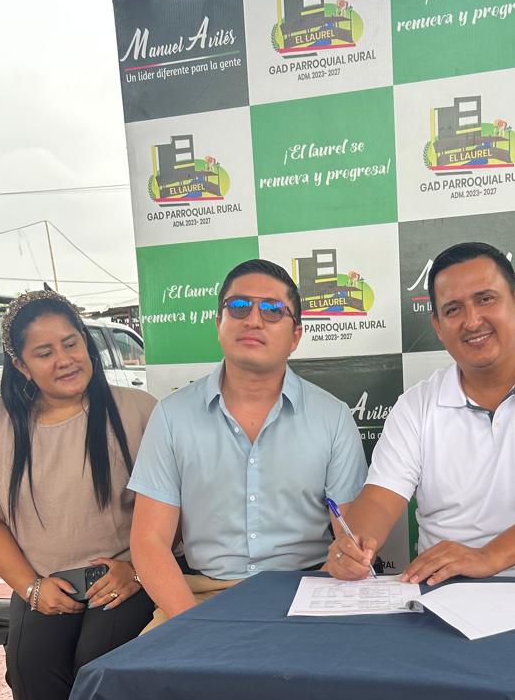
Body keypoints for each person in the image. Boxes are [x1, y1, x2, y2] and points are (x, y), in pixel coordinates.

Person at [325, 241, 515, 604]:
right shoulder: (417, 404)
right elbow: (379, 500)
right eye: (453, 309)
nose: (471, 321)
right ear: (438, 326)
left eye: (485, 299)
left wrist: (488, 558)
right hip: (446, 596)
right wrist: (354, 544)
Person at [0, 290, 157, 700]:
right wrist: (30, 587)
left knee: (96, 665)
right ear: (20, 364)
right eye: (45, 352)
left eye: (71, 343)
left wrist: (138, 570)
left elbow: (171, 508)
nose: (65, 359)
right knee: (31, 671)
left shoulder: (138, 410)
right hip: (44, 582)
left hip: (123, 576)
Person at [129, 259, 367, 623]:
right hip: (203, 597)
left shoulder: (332, 417)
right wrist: (194, 626)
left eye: (272, 310)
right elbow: (149, 542)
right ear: (218, 323)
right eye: (239, 306)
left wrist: (344, 563)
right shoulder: (172, 415)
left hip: (308, 592)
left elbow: (350, 536)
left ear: (295, 336)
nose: (253, 320)